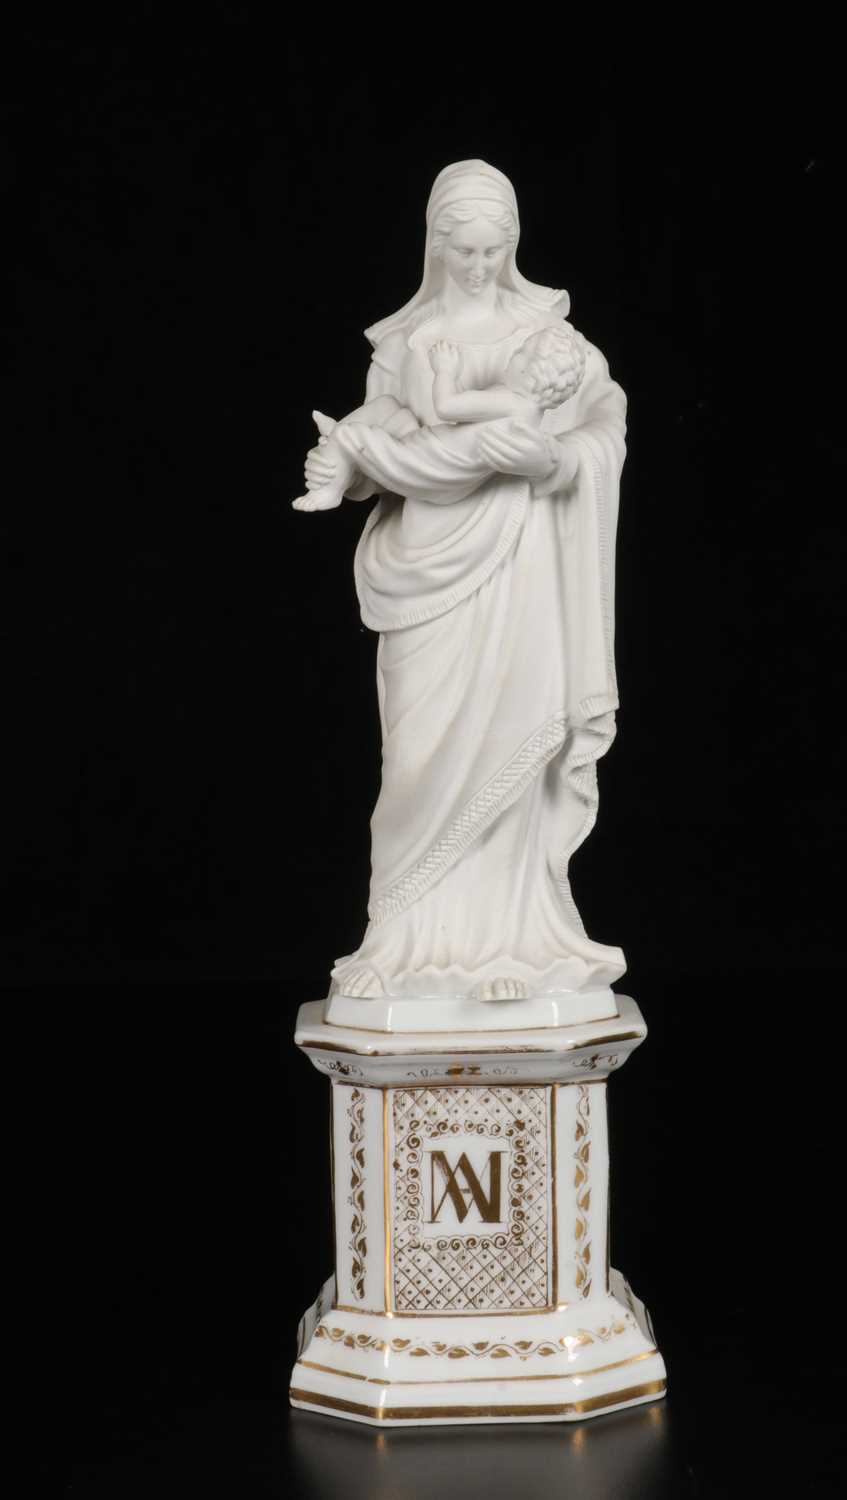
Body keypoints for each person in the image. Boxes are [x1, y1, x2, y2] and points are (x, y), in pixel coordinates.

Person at [300, 159, 628, 1005]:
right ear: (436, 247)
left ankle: (513, 945)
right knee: (418, 758)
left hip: (521, 568)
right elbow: (379, 430)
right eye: (465, 252)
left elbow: (604, 428)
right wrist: (345, 464)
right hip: (427, 568)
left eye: (493, 251)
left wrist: (556, 460)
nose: (479, 267)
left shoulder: (551, 338)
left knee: (513, 744)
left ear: (512, 244)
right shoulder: (404, 343)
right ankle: (399, 940)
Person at [292, 324, 588, 513]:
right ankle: (337, 436)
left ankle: (329, 487)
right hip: (432, 449)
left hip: (429, 462)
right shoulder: (524, 411)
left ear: (534, 375)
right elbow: (468, 416)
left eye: (522, 353)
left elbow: (447, 406)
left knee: (353, 436)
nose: (515, 354)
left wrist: (445, 370)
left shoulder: (512, 403)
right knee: (388, 407)